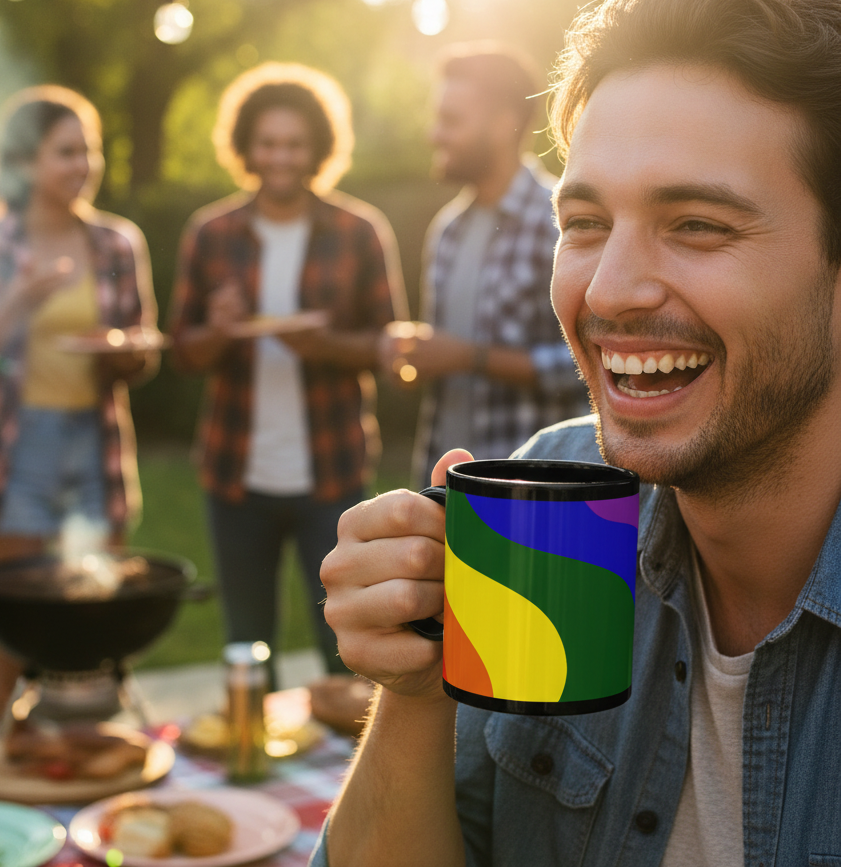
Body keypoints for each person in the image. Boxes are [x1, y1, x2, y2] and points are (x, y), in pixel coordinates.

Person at [312, 0, 841, 863]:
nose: (606, 291)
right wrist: (413, 691)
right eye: (584, 224)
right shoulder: (549, 494)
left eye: (697, 226)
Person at [169, 63, 407, 687]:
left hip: (331, 469)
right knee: (247, 643)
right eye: (269, 142)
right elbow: (182, 352)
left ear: (318, 149)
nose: (281, 156)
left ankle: (350, 777)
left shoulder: (359, 231)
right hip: (235, 469)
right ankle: (256, 763)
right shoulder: (211, 232)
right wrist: (218, 331)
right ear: (246, 147)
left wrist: (324, 344)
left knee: (347, 642)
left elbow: (389, 345)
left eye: (294, 143)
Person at [0, 85, 159, 724]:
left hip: (94, 438)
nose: (82, 164)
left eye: (89, 150)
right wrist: (20, 302)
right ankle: (6, 746)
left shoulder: (116, 243)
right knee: (16, 614)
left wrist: (126, 349)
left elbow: (143, 353)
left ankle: (103, 746)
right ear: (25, 162)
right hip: (13, 445)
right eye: (64, 152)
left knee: (101, 602)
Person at [378, 43, 587, 488]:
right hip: (446, 485)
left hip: (529, 492)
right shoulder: (447, 230)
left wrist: (468, 357)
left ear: (502, 125)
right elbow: (442, 356)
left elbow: (587, 365)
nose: (435, 134)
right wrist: (415, 359)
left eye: (451, 121)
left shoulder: (561, 224)